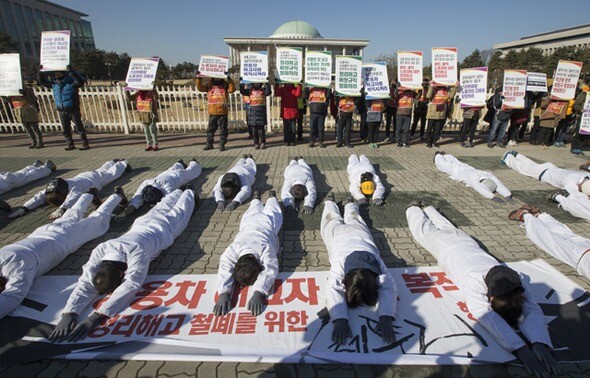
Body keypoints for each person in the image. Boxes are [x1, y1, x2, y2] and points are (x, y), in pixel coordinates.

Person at [406, 202, 560, 377]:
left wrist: (539, 341)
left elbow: (531, 308)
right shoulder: (476, 281)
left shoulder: (516, 279)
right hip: (448, 248)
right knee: (425, 232)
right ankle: (413, 208)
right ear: (491, 298)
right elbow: (487, 315)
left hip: (466, 244)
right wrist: (519, 348)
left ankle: (427, 207)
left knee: (446, 227)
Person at [49, 188, 196, 343]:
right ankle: (179, 191)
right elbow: (86, 281)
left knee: (183, 208)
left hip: (165, 229)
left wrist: (97, 316)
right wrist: (70, 312)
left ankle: (189, 191)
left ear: (121, 274)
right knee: (163, 204)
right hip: (144, 222)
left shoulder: (135, 252)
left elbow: (132, 284)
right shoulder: (103, 247)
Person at [0, 188, 127, 319]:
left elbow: (13, 296)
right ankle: (88, 194)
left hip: (64, 239)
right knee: (71, 215)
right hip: (43, 232)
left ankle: (116, 196)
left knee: (97, 220)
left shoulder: (17, 268)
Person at [321, 193, 397, 345]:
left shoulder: (376, 264)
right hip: (341, 235)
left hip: (357, 235)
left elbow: (389, 288)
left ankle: (336, 202)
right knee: (340, 219)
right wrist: (340, 318)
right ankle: (340, 203)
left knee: (341, 219)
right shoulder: (341, 263)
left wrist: (386, 316)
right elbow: (333, 289)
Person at [213, 191, 282, 317]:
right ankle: (256, 198)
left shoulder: (266, 249)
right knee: (254, 209)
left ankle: (271, 197)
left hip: (267, 224)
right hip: (250, 225)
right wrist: (223, 294)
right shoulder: (232, 251)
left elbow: (270, 269)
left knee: (272, 209)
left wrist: (259, 292)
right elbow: (224, 269)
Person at [8, 159, 130, 220]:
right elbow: (39, 197)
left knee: (112, 175)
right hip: (86, 176)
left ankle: (123, 163)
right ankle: (111, 161)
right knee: (102, 170)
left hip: (93, 180)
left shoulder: (74, 188)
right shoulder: (55, 189)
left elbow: (73, 197)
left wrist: (62, 209)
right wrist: (25, 207)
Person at [502, 151, 590, 221]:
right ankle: (508, 157)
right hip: (550, 175)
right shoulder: (573, 186)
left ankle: (517, 155)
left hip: (559, 172)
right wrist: (559, 197)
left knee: (536, 167)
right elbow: (573, 202)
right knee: (526, 169)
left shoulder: (581, 179)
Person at [509, 205, 590, 279]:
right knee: (551, 240)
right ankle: (527, 216)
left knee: (565, 236)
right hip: (584, 256)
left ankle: (538, 216)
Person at [124, 159, 202, 215]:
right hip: (166, 174)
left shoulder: (167, 187)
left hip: (179, 176)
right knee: (172, 168)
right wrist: (133, 206)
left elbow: (169, 198)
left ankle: (194, 163)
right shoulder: (147, 182)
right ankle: (180, 163)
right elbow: (138, 195)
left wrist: (156, 206)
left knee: (192, 173)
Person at [38, 65, 89, 150]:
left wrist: (72, 72)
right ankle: (70, 144)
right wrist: (40, 72)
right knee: (65, 129)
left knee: (79, 127)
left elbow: (80, 81)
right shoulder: (54, 84)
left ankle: (85, 144)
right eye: (55, 72)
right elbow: (42, 82)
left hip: (73, 109)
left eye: (58, 72)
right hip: (61, 110)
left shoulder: (71, 82)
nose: (56, 74)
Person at [435, 152, 512, 203]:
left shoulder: (487, 174)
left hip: (458, 169)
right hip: (459, 170)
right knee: (445, 162)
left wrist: (507, 195)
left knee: (446, 162)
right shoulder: (479, 177)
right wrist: (494, 197)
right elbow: (480, 188)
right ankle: (438, 155)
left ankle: (439, 155)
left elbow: (497, 183)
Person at [196, 73, 236, 151]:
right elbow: (200, 88)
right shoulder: (209, 86)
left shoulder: (225, 85)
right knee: (210, 130)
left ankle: (222, 144)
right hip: (212, 112)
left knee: (223, 130)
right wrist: (199, 78)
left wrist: (229, 79)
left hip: (222, 112)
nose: (217, 78)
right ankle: (209, 144)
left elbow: (232, 90)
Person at [119, 81, 160, 151]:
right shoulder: (138, 93)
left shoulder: (151, 92)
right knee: (146, 130)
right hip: (142, 114)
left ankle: (155, 144)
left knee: (152, 130)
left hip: (150, 114)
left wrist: (154, 88)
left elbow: (156, 97)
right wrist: (126, 88)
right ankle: (149, 144)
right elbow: (129, 98)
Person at [1, 82, 44, 148]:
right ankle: (33, 141)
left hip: (29, 109)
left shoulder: (27, 89)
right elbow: (8, 101)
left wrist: (25, 94)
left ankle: (40, 142)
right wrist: (3, 95)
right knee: (27, 128)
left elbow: (32, 100)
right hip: (19, 110)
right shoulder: (12, 90)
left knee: (34, 126)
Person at [239, 80, 271, 149]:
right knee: (254, 131)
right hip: (252, 114)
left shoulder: (263, 90)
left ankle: (262, 142)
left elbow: (268, 92)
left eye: (258, 82)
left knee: (261, 130)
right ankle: (256, 143)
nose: (256, 84)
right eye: (255, 83)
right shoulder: (250, 91)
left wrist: (267, 83)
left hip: (261, 113)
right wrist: (241, 83)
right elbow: (242, 91)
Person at [571, 77, 589, 155]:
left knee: (585, 134)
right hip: (582, 116)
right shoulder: (584, 94)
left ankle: (580, 147)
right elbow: (575, 105)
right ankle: (574, 147)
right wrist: (581, 109)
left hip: (588, 119)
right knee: (578, 132)